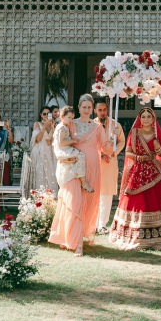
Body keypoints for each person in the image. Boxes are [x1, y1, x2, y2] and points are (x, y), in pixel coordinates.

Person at [109, 107, 161, 250]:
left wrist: (158, 148)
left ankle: (159, 235)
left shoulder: (156, 134)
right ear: (140, 119)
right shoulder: (134, 133)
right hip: (137, 172)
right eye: (143, 116)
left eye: (149, 116)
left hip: (154, 173)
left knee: (155, 199)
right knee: (135, 201)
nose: (146, 119)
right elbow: (127, 152)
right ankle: (132, 234)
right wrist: (139, 158)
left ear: (153, 119)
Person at [48, 94, 105, 256]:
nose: (86, 110)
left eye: (89, 107)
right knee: (74, 203)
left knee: (86, 203)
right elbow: (58, 143)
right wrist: (64, 158)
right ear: (79, 108)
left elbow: (105, 147)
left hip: (91, 168)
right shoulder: (70, 123)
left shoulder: (98, 127)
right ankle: (76, 242)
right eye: (84, 107)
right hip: (71, 168)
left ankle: (77, 237)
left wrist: (115, 140)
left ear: (93, 109)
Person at [94, 98, 125, 233]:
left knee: (106, 195)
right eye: (100, 110)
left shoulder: (115, 125)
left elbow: (121, 142)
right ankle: (93, 224)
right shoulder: (91, 125)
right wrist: (100, 154)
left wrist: (113, 153)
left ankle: (102, 224)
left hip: (110, 162)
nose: (102, 112)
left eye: (104, 110)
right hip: (95, 162)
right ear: (95, 111)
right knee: (94, 194)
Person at [53, 106, 92, 192]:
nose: (71, 120)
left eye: (72, 118)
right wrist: (73, 141)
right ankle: (83, 182)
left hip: (65, 149)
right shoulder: (62, 127)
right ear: (62, 116)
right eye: (69, 117)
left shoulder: (65, 126)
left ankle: (79, 177)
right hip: (63, 150)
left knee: (78, 157)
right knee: (81, 156)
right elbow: (61, 142)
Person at [22, 106, 58, 195]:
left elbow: (55, 140)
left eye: (48, 114)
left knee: (52, 176)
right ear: (41, 115)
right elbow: (37, 139)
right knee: (40, 175)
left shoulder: (54, 124)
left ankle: (51, 198)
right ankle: (40, 197)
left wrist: (53, 127)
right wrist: (44, 126)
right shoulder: (37, 124)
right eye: (44, 114)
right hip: (40, 152)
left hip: (50, 153)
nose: (46, 116)